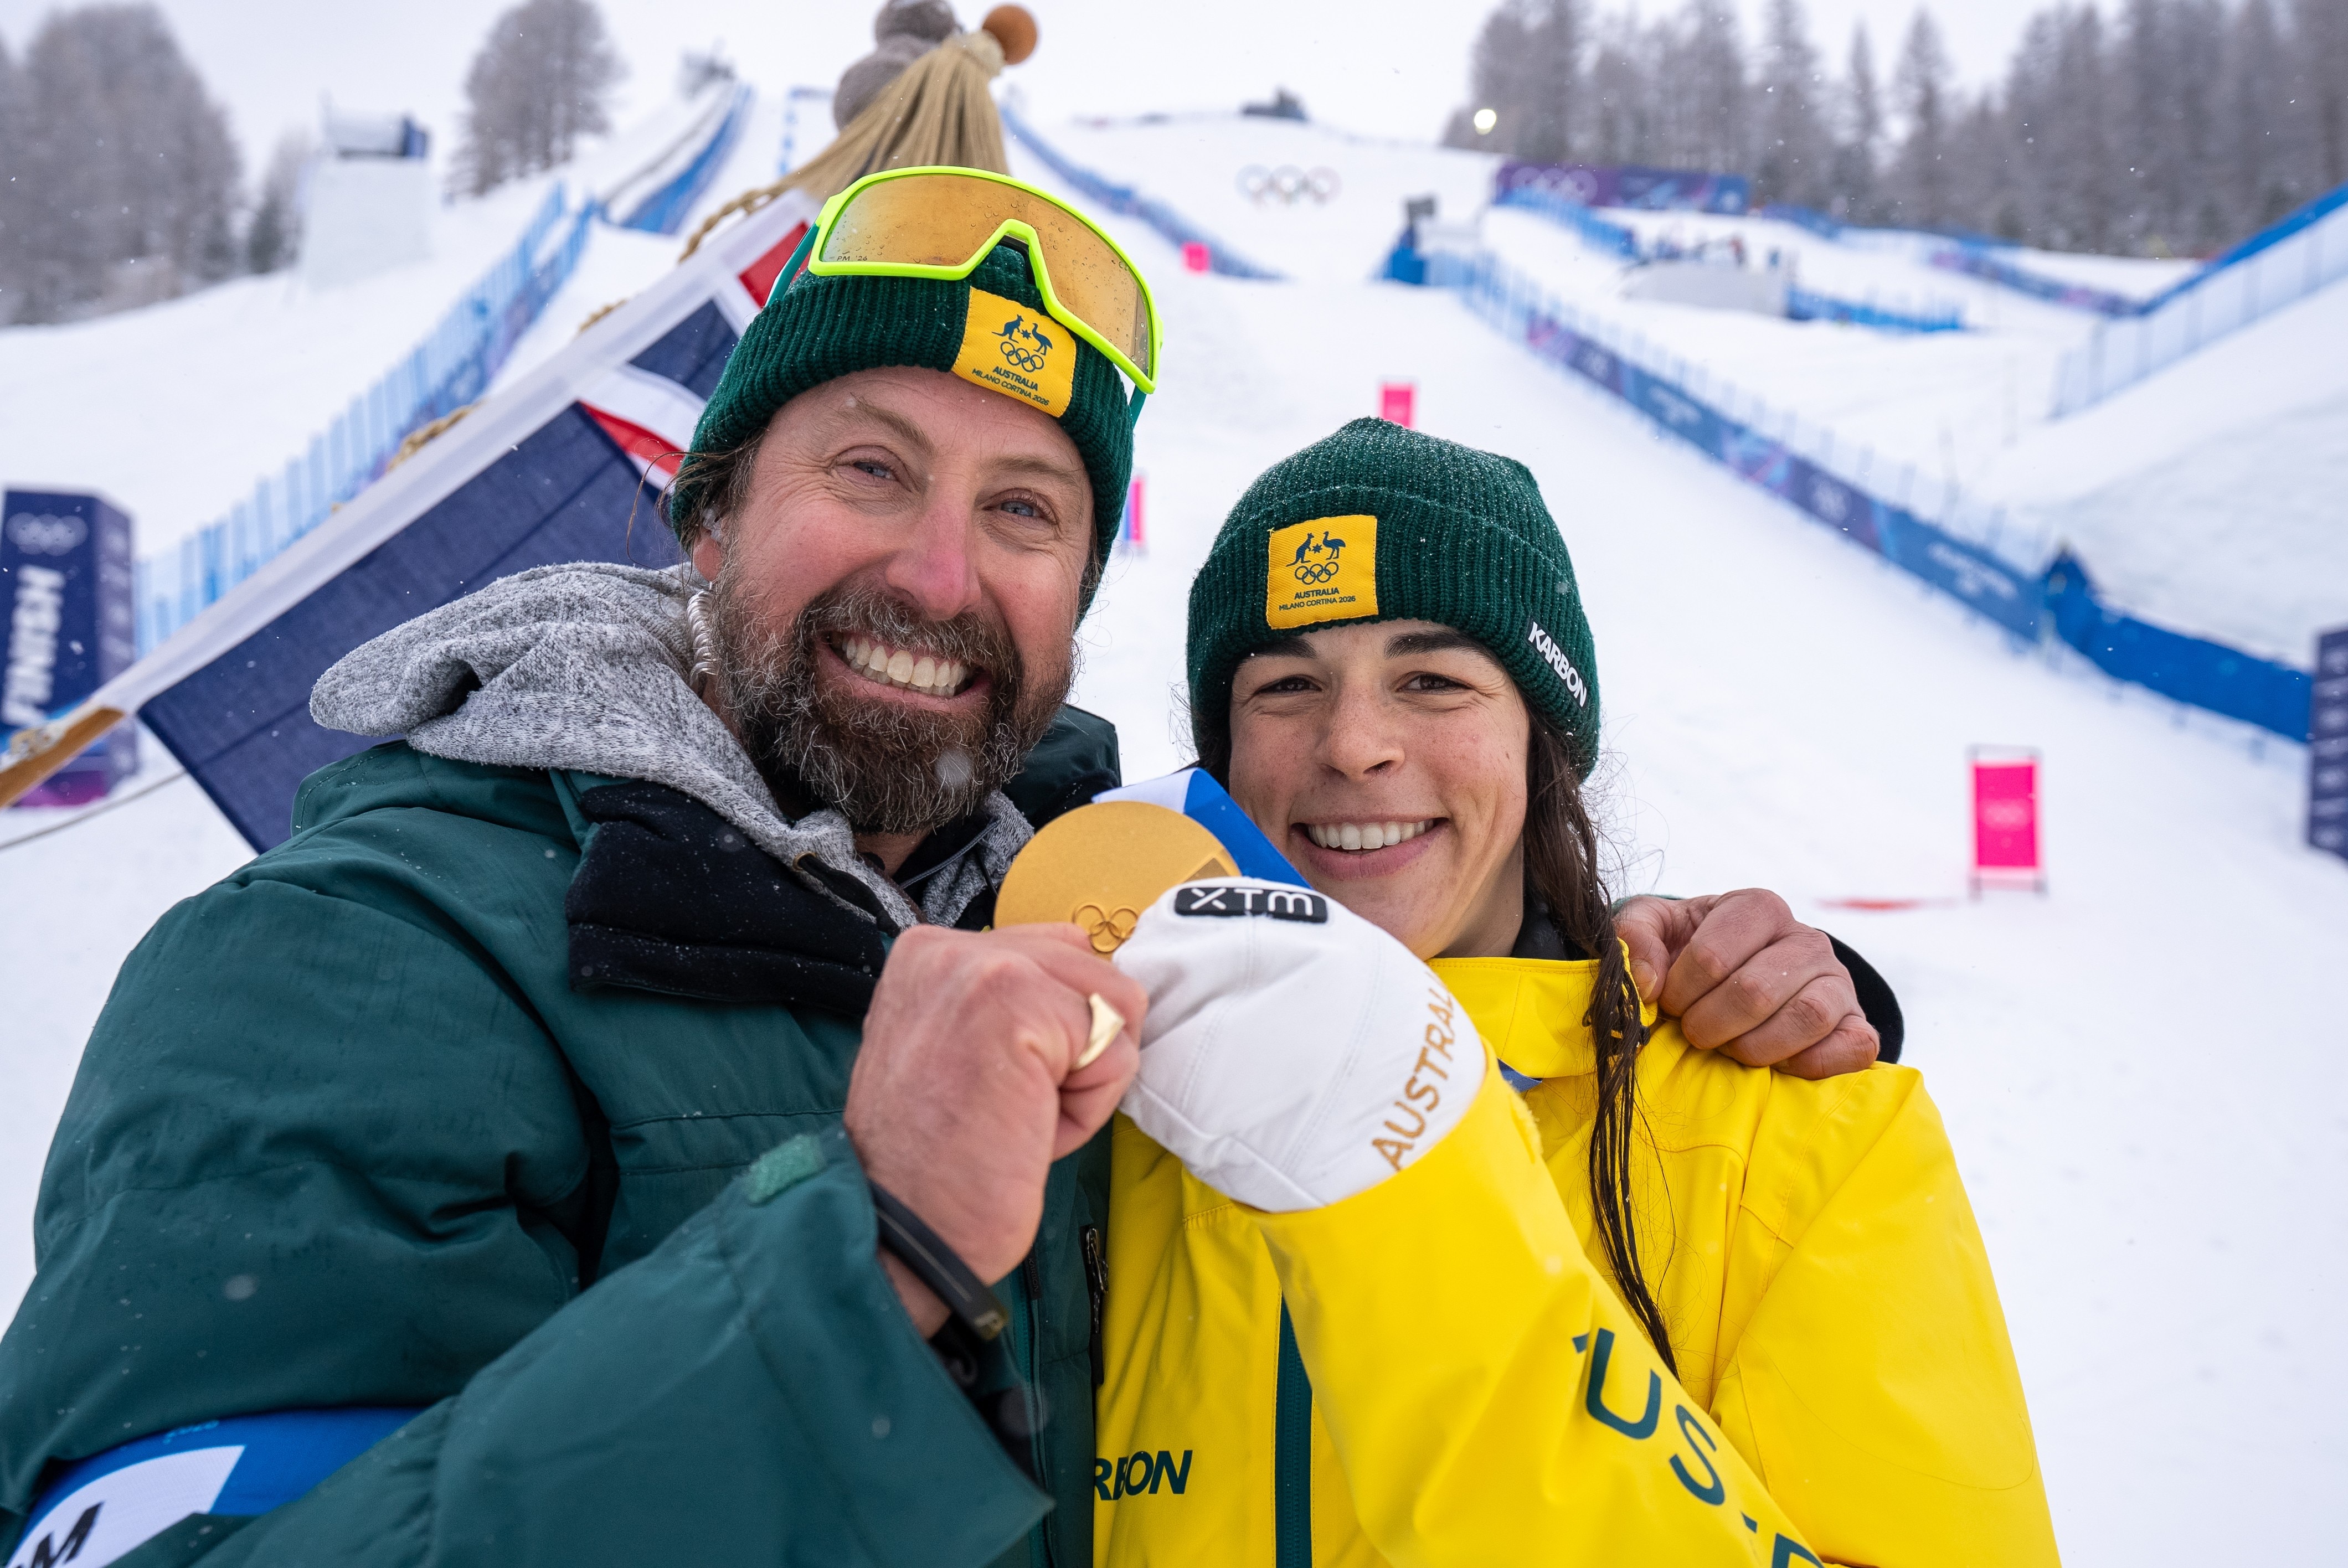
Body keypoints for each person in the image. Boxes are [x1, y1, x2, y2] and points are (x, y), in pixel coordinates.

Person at [0, 173, 1887, 1568]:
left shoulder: (1109, 902)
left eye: (1023, 512)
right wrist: (868, 1250)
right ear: (711, 505)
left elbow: (1404, 923)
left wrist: (1664, 972)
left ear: (1077, 595)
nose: (934, 575)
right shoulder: (346, 961)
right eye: (872, 469)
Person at [1090, 419, 2060, 1566]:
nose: (1352, 744)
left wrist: (1398, 1188)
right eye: (1287, 685)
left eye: (1432, 679)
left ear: (1541, 741)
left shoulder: (1803, 1141)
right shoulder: (1109, 1103)